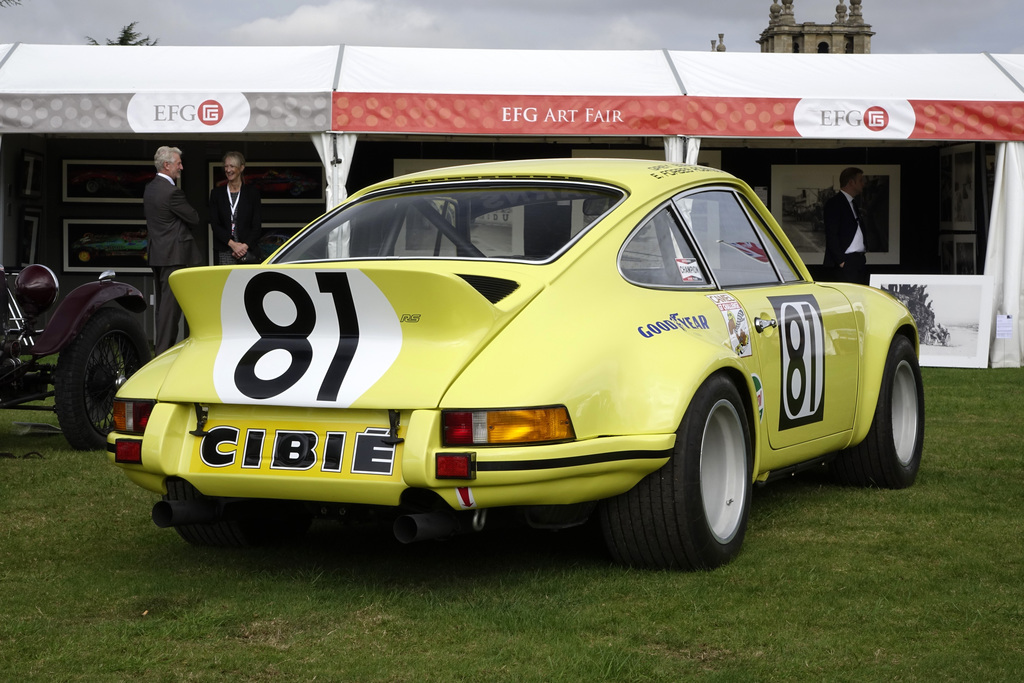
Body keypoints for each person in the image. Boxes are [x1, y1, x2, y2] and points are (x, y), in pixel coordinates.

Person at [144, 145, 202, 354]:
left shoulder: (149, 188)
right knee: (170, 311)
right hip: (173, 257)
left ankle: (162, 351)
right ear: (167, 166)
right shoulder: (171, 193)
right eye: (178, 164)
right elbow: (194, 217)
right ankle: (162, 355)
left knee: (163, 309)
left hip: (158, 256)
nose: (182, 167)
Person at [209, 151, 262, 265]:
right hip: (225, 249)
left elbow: (257, 225)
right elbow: (215, 224)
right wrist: (233, 245)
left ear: (241, 168)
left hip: (247, 250)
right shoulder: (216, 194)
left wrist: (244, 247)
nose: (228, 170)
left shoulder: (252, 193)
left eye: (232, 166)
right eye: (226, 166)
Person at [823, 166, 869, 285]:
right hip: (845, 263)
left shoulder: (853, 203)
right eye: (860, 180)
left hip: (858, 261)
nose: (863, 184)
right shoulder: (835, 203)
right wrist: (841, 261)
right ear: (851, 182)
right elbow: (831, 234)